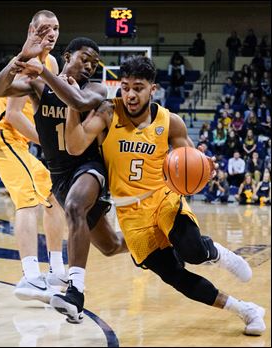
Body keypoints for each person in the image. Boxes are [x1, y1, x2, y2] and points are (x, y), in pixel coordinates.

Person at [52, 55, 265, 335]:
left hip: (163, 199)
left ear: (152, 89)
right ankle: (245, 309)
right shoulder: (107, 112)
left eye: (138, 87)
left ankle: (215, 252)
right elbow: (76, 146)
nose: (129, 94)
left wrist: (206, 165)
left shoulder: (170, 122)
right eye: (125, 86)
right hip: (130, 214)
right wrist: (70, 106)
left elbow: (191, 158)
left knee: (192, 251)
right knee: (175, 276)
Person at [0, 30, 128, 320]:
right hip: (61, 175)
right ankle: (155, 240)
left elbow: (77, 101)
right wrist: (18, 61)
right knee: (111, 245)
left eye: (94, 63)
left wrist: (46, 73)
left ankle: (74, 291)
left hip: (88, 167)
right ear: (68, 57)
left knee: (75, 207)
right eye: (85, 59)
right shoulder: (39, 86)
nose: (90, 66)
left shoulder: (97, 90)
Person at [0, 10, 67, 304]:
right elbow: (14, 116)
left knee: (54, 197)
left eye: (55, 28)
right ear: (31, 29)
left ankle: (56, 270)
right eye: (44, 29)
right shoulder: (29, 61)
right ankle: (30, 276)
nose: (50, 34)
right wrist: (50, 144)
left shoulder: (51, 63)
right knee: (28, 198)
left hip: (19, 144)